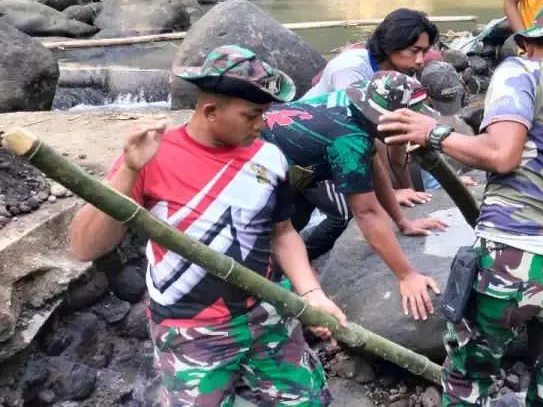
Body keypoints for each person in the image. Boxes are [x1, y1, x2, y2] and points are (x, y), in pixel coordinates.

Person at [67, 45, 347, 407]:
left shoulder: (269, 157)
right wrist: (129, 172)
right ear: (210, 111)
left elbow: (283, 233)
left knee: (307, 402)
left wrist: (311, 294)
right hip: (190, 329)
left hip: (267, 311)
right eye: (252, 115)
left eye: (264, 113)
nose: (261, 125)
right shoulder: (153, 155)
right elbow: (84, 247)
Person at [377, 3, 543, 407]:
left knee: (470, 378)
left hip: (512, 260)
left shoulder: (521, 71)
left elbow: (502, 154)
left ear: (531, 43)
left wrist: (432, 133)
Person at [260, 71, 444, 319]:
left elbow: (371, 160)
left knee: (293, 226)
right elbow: (366, 212)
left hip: (291, 162)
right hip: (256, 166)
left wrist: (403, 222)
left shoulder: (356, 103)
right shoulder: (349, 138)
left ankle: (297, 278)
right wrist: (407, 275)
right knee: (266, 242)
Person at [304, 8, 441, 210]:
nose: (420, 60)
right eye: (414, 51)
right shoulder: (350, 69)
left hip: (343, 140)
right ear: (390, 45)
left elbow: (398, 136)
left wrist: (410, 191)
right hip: (312, 141)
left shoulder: (401, 74)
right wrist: (390, 193)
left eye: (424, 51)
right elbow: (364, 134)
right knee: (342, 216)